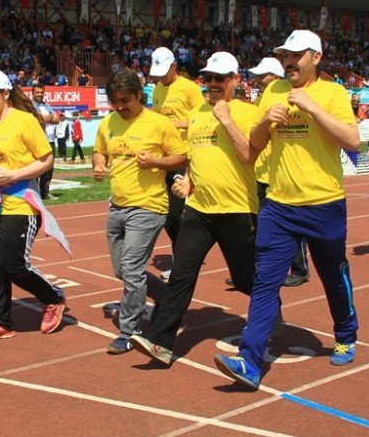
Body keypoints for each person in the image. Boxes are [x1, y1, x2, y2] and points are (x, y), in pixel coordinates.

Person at [214, 30, 360, 390]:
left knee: (331, 273)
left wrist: (312, 108)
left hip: (323, 203)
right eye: (284, 56)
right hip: (278, 205)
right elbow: (254, 148)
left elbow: (353, 140)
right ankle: (249, 362)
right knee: (265, 282)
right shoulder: (272, 92)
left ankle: (345, 333)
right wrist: (265, 121)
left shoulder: (333, 93)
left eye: (296, 55)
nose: (289, 61)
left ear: (316, 56)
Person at [130, 52, 258, 366]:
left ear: (235, 80)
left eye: (220, 78)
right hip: (199, 211)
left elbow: (249, 155)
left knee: (244, 279)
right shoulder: (199, 113)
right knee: (181, 276)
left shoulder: (246, 112)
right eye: (208, 78)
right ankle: (161, 343)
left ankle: (270, 307)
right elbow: (194, 154)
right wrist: (187, 181)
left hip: (237, 209)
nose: (212, 84)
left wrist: (226, 118)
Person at [0, 70, 67, 341]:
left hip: (20, 202)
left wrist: (15, 175)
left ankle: (53, 296)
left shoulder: (24, 122)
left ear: (5, 94)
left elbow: (46, 159)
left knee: (13, 265)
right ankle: (1, 321)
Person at [93, 69, 188, 354]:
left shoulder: (158, 124)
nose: (120, 107)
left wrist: (157, 161)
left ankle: (128, 331)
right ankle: (168, 298)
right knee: (122, 271)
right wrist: (98, 164)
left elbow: (182, 156)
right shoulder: (109, 122)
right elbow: (100, 150)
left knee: (132, 269)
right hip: (117, 205)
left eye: (125, 101)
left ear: (139, 96)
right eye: (115, 102)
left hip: (148, 206)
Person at [246, 56, 310, 288]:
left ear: (275, 76)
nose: (258, 79)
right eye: (256, 76)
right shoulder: (262, 100)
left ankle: (300, 269)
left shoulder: (282, 98)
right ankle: (256, 270)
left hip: (276, 174)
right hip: (258, 172)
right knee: (259, 227)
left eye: (263, 75)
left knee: (289, 225)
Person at [149, 46, 205, 279]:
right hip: (163, 158)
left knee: (176, 213)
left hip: (183, 156)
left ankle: (182, 262)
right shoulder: (157, 90)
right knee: (165, 213)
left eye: (164, 71)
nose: (161, 77)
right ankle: (184, 258)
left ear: (174, 66)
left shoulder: (190, 89)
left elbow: (204, 118)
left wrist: (180, 124)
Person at [30, 84, 60, 199]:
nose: (40, 94)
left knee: (49, 168)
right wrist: (49, 117)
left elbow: (57, 120)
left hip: (50, 140)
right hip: (38, 140)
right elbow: (38, 120)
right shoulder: (30, 106)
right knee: (38, 167)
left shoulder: (46, 105)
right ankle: (35, 192)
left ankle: (45, 193)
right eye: (37, 92)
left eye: (41, 92)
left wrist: (50, 117)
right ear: (33, 93)